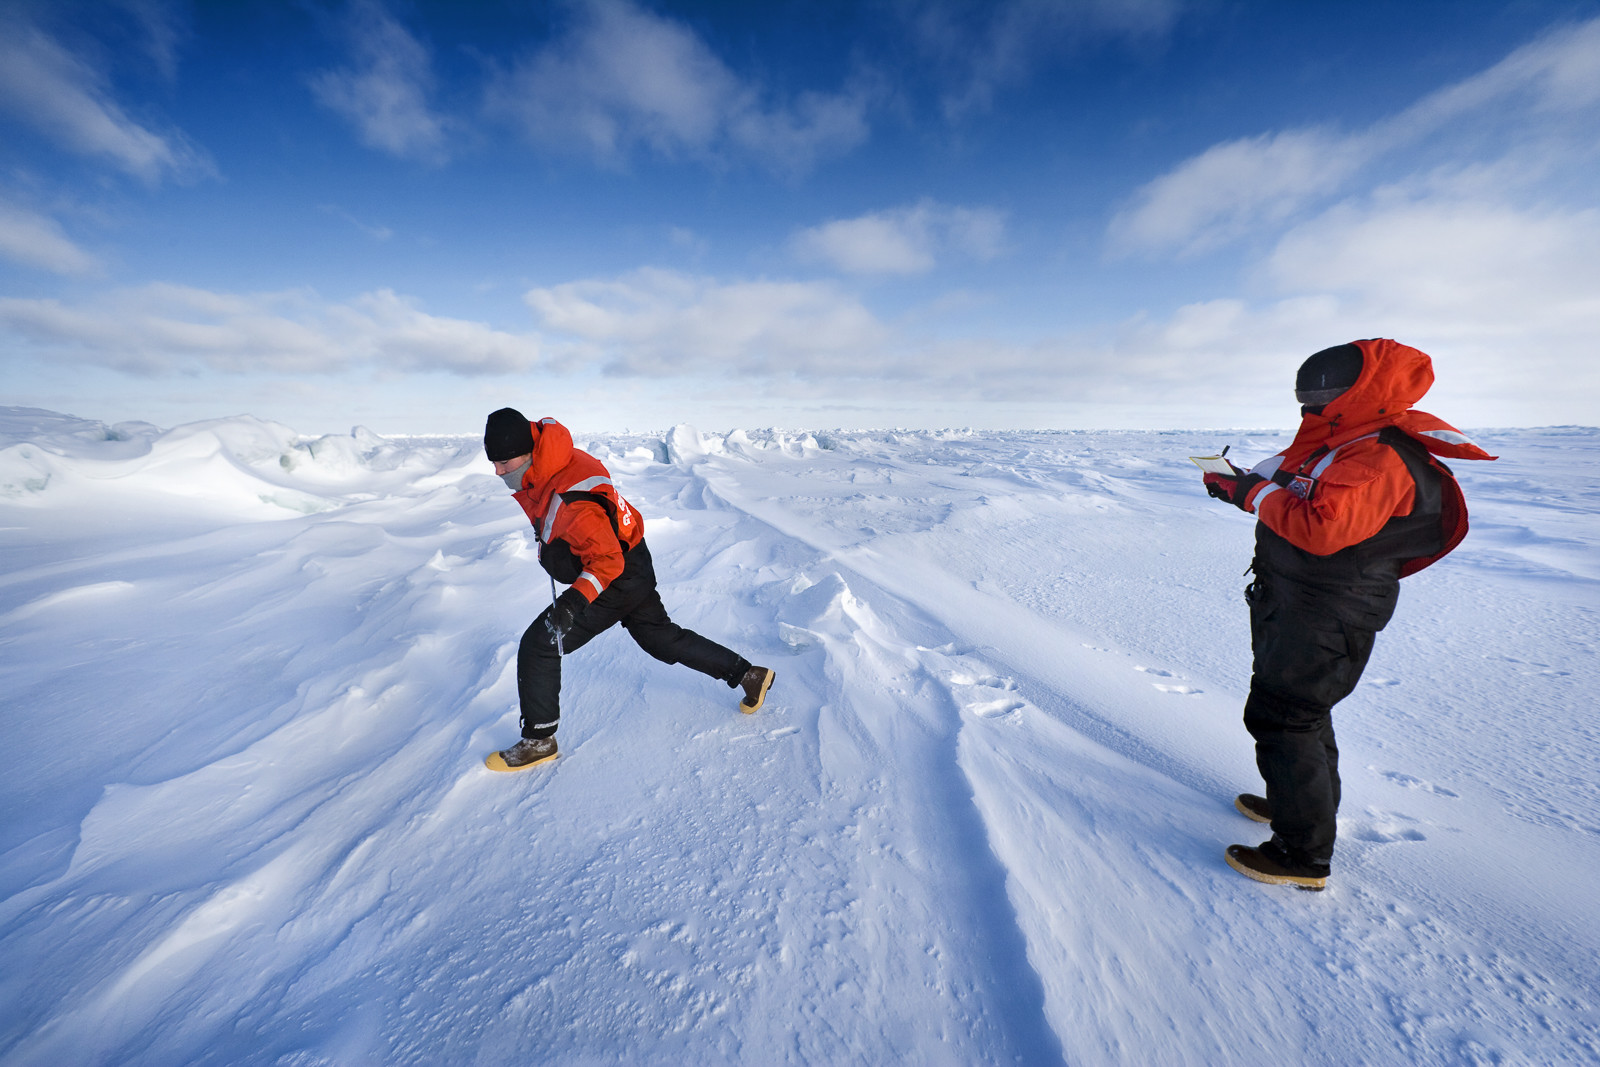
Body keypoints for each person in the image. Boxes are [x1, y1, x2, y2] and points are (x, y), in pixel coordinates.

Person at [1200, 339, 1494, 889]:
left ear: (1360, 392)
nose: (1309, 404)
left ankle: (1301, 854)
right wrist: (1241, 485)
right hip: (1295, 598)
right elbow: (1288, 490)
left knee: (1285, 715)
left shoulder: (1378, 457)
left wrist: (1251, 495)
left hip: (1330, 609)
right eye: (1307, 394)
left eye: (1323, 394)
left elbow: (1322, 528)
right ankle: (1298, 802)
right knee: (1300, 710)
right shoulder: (1337, 443)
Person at [482, 408, 775, 771]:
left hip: (614, 575)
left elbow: (606, 561)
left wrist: (572, 603)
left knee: (541, 644)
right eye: (494, 462)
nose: (498, 471)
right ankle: (749, 675)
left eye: (504, 462)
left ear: (528, 452)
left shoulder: (572, 501)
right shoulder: (558, 457)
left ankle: (539, 740)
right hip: (633, 558)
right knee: (660, 637)